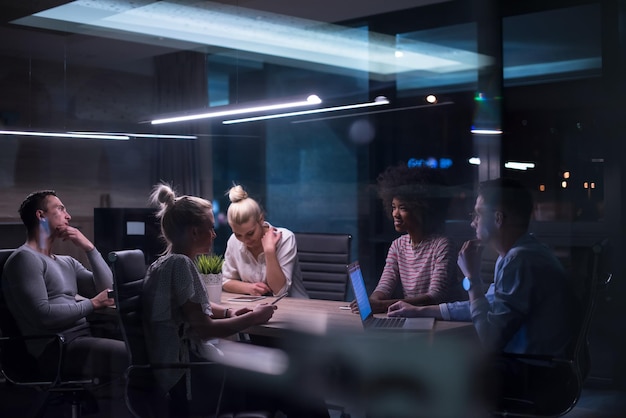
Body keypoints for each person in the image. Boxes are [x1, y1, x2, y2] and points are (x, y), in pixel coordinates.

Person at [388, 178, 579, 406]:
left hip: (535, 373)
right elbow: (486, 305)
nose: (473, 222)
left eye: (478, 214)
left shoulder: (520, 261)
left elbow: (490, 340)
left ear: (498, 218)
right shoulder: (516, 255)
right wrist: (421, 311)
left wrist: (473, 278)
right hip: (533, 366)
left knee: (427, 370)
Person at [144, 183, 328, 418]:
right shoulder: (181, 265)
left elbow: (194, 311)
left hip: (179, 367)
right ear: (193, 233)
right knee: (290, 384)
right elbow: (203, 328)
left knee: (284, 378)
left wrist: (229, 313)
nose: (214, 234)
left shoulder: (161, 263)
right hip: (191, 374)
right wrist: (254, 317)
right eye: (210, 228)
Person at [1, 190, 127, 389]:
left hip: (81, 339)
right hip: (56, 348)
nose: (68, 216)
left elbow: (108, 289)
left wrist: (90, 249)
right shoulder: (24, 259)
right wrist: (93, 304)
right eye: (60, 209)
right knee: (132, 357)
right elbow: (43, 315)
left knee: (141, 350)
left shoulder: (66, 261)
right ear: (41, 216)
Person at [352, 163, 464, 314]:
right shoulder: (398, 245)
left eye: (402, 208)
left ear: (422, 209)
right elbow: (385, 286)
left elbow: (435, 297)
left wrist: (381, 306)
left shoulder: (443, 245)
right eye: (393, 207)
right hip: (413, 317)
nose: (395, 214)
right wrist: (372, 302)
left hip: (441, 321)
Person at [222, 184, 309, 298]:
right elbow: (225, 281)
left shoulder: (285, 238)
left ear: (261, 219)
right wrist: (249, 288)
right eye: (238, 234)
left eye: (250, 233)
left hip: (294, 308)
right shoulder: (234, 241)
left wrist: (269, 251)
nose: (245, 240)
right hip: (257, 307)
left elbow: (280, 291)